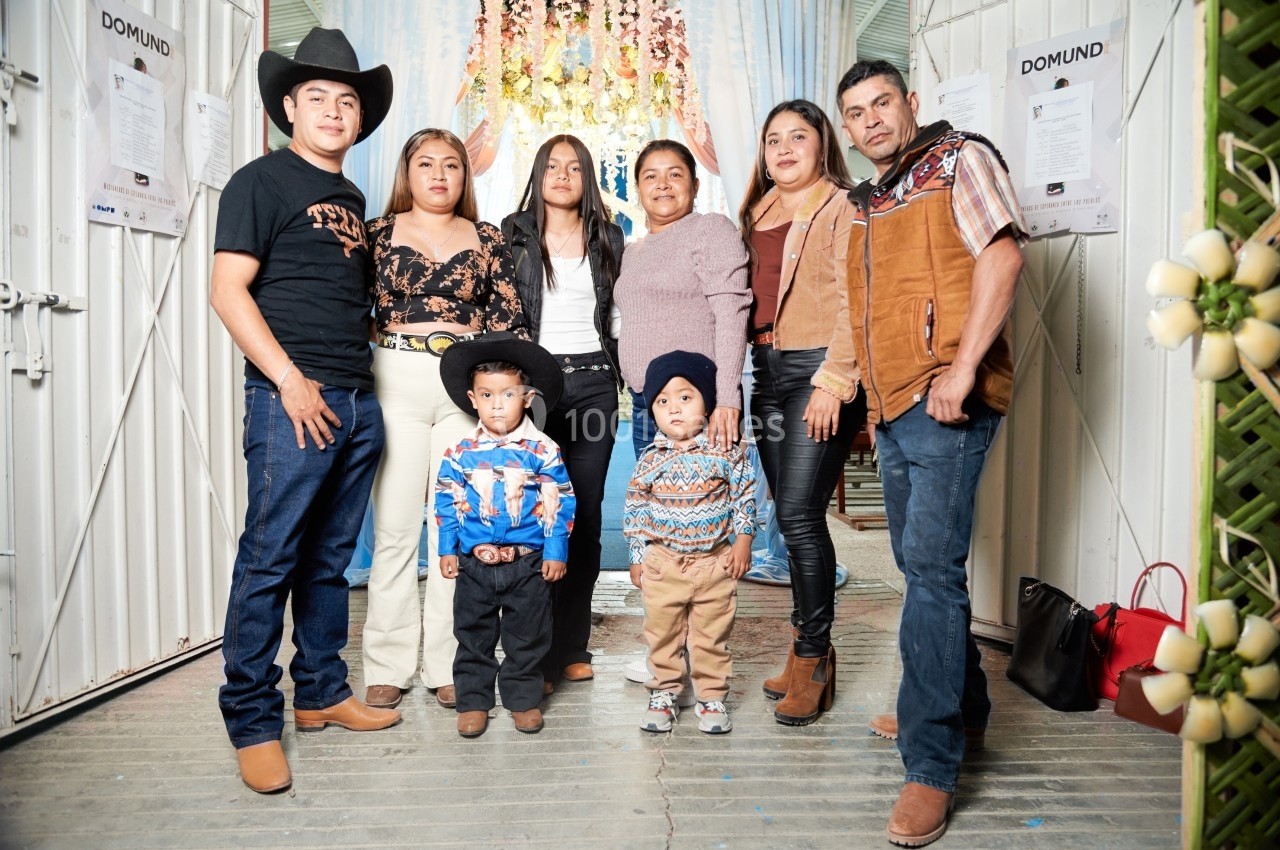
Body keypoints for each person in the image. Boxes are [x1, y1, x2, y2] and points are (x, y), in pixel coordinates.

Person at [837, 60, 1027, 846]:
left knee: (933, 576)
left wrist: (962, 368)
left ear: (911, 105)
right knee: (927, 572)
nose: (872, 118)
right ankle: (962, 706)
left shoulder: (959, 160)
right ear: (847, 129)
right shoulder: (869, 200)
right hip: (895, 410)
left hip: (945, 400)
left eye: (883, 102)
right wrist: (869, 406)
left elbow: (1003, 257)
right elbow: (867, 313)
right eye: (856, 111)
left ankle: (931, 763)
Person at [209, 27, 400, 795]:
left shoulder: (350, 198)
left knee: (329, 561)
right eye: (317, 96)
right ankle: (253, 720)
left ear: (359, 120)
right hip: (293, 400)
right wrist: (289, 380)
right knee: (270, 559)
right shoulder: (260, 181)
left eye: (347, 100)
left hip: (357, 401)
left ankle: (321, 692)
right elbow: (227, 292)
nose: (332, 110)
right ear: (289, 107)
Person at [361, 129, 528, 714]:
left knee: (458, 529)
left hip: (463, 385)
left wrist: (504, 400)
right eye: (426, 164)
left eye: (451, 165)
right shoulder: (375, 233)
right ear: (407, 172)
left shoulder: (486, 239)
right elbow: (349, 312)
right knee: (397, 529)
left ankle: (452, 664)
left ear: (465, 175)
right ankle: (387, 664)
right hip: (394, 378)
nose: (438, 174)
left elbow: (509, 323)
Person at [738, 99, 867, 726]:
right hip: (766, 373)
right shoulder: (755, 210)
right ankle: (801, 645)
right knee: (791, 521)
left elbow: (854, 300)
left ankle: (815, 657)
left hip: (817, 371)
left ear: (822, 146)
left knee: (796, 512)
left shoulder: (843, 206)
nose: (784, 149)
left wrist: (834, 380)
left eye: (798, 137)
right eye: (773, 140)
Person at [502, 135, 625, 689]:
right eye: (552, 166)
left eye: (574, 167)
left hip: (596, 381)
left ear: (587, 178)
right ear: (538, 172)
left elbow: (619, 317)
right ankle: (536, 650)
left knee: (586, 514)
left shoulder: (609, 237)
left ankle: (574, 644)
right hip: (538, 382)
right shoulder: (513, 235)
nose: (562, 175)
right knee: (536, 513)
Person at [434, 333, 575, 738]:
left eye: (508, 394)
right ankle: (473, 701)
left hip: (527, 562)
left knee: (527, 635)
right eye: (487, 394)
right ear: (472, 399)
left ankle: (522, 699)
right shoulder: (459, 451)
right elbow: (447, 501)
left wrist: (555, 549)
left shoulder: (543, 449)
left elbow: (558, 502)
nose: (497, 403)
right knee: (472, 634)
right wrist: (448, 548)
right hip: (474, 562)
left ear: (527, 398)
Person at [624, 351, 756, 735]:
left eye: (686, 397)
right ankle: (664, 691)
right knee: (662, 632)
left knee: (712, 634)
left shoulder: (726, 452)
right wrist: (637, 557)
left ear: (708, 404)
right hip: (663, 562)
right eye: (663, 402)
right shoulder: (650, 458)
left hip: (715, 562)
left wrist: (744, 540)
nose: (674, 409)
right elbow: (635, 510)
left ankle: (711, 695)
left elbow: (743, 497)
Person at [613, 140, 751, 458]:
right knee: (652, 504)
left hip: (696, 401)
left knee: (706, 504)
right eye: (651, 176)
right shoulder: (632, 252)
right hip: (646, 403)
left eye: (675, 174)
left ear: (696, 185)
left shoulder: (710, 230)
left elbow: (732, 314)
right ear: (638, 189)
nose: (662, 184)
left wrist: (727, 398)